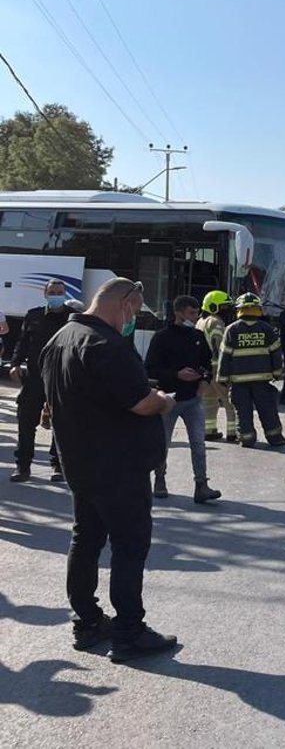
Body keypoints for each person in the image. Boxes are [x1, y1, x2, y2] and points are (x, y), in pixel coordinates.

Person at [40, 277, 178, 662]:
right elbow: (140, 403)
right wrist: (164, 401)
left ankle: (87, 622)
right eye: (134, 310)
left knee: (85, 540)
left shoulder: (61, 339)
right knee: (129, 546)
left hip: (80, 464)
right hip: (118, 467)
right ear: (123, 302)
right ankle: (129, 632)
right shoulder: (106, 345)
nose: (133, 319)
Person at [145, 296, 222, 503]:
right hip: (168, 399)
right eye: (191, 313)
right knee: (164, 443)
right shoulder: (162, 337)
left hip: (193, 399)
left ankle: (201, 485)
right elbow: (150, 368)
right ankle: (159, 479)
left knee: (198, 443)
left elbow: (207, 362)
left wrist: (204, 381)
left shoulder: (197, 336)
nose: (195, 317)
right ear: (178, 313)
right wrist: (176, 374)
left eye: (197, 313)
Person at [9, 279, 71, 482]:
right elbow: (22, 342)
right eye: (52, 292)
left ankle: (58, 466)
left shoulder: (73, 318)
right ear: (45, 295)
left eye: (59, 292)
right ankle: (23, 466)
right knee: (26, 422)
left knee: (61, 424)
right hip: (35, 377)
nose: (55, 296)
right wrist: (15, 363)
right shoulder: (33, 315)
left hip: (61, 379)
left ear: (65, 294)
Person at [216, 293, 285, 449]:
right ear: (258, 310)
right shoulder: (267, 329)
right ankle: (275, 438)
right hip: (262, 380)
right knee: (268, 410)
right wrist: (277, 373)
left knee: (243, 412)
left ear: (239, 310)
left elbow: (225, 355)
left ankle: (247, 439)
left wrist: (222, 378)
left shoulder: (231, 330)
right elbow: (276, 353)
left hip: (238, 382)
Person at [197, 291, 239, 443]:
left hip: (205, 369)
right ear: (213, 307)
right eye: (224, 307)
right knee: (230, 401)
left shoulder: (200, 321)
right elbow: (222, 346)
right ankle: (233, 432)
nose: (227, 310)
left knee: (209, 400)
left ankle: (209, 430)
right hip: (218, 367)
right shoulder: (216, 322)